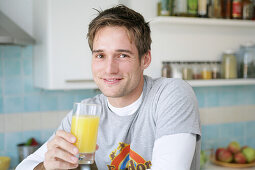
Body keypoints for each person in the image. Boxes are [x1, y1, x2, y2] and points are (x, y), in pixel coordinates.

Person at [16, 5, 201, 170]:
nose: (109, 69)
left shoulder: (171, 95)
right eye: (100, 56)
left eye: (122, 55)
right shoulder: (84, 115)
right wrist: (47, 166)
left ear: (145, 59)